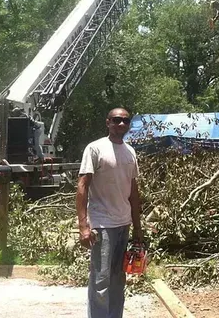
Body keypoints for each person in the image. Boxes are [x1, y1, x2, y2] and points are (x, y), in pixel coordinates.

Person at [76, 107, 143, 318]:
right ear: (108, 123)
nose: (121, 124)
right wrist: (83, 226)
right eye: (116, 120)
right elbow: (82, 187)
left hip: (123, 224)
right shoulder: (95, 149)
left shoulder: (130, 152)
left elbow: (133, 193)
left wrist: (138, 229)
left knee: (118, 279)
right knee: (101, 280)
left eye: (125, 120)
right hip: (102, 225)